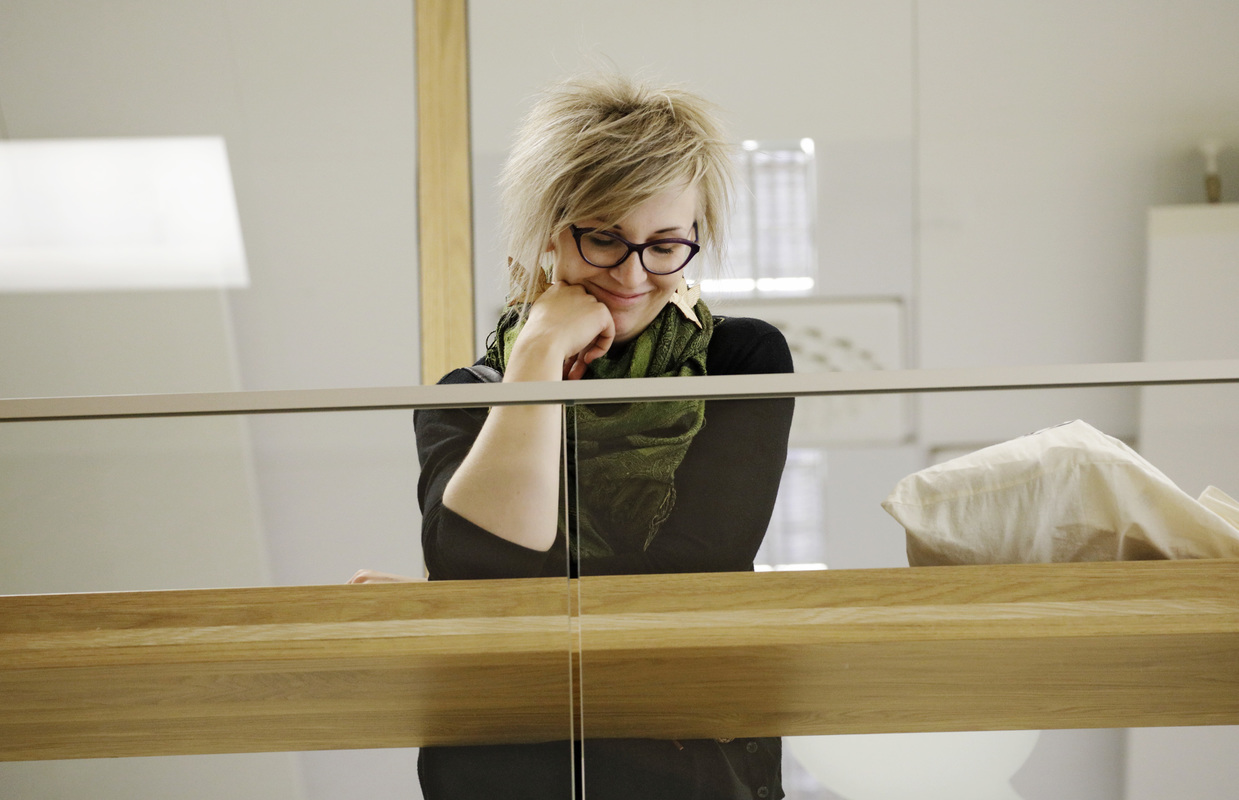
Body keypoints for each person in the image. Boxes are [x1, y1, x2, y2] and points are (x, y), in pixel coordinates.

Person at [354, 73, 793, 800]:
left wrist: (469, 603)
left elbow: (691, 574)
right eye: (603, 238)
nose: (633, 273)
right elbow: (480, 563)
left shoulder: (739, 359)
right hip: (507, 765)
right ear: (547, 234)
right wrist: (536, 353)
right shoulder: (465, 398)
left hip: (685, 760)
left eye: (664, 245)